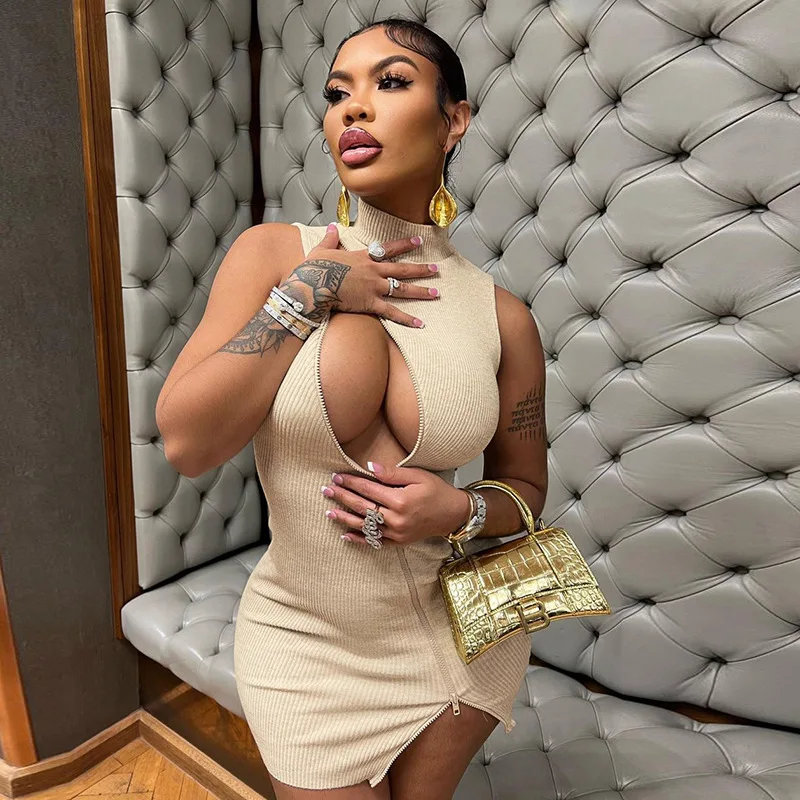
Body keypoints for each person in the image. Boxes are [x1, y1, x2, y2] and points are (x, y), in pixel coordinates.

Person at [156, 16, 548, 800]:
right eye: (338, 94)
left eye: (391, 82)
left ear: (454, 121)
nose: (353, 109)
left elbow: (526, 493)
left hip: (463, 637)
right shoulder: (277, 255)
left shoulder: (502, 316)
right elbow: (186, 443)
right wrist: (309, 293)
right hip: (306, 642)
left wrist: (459, 510)